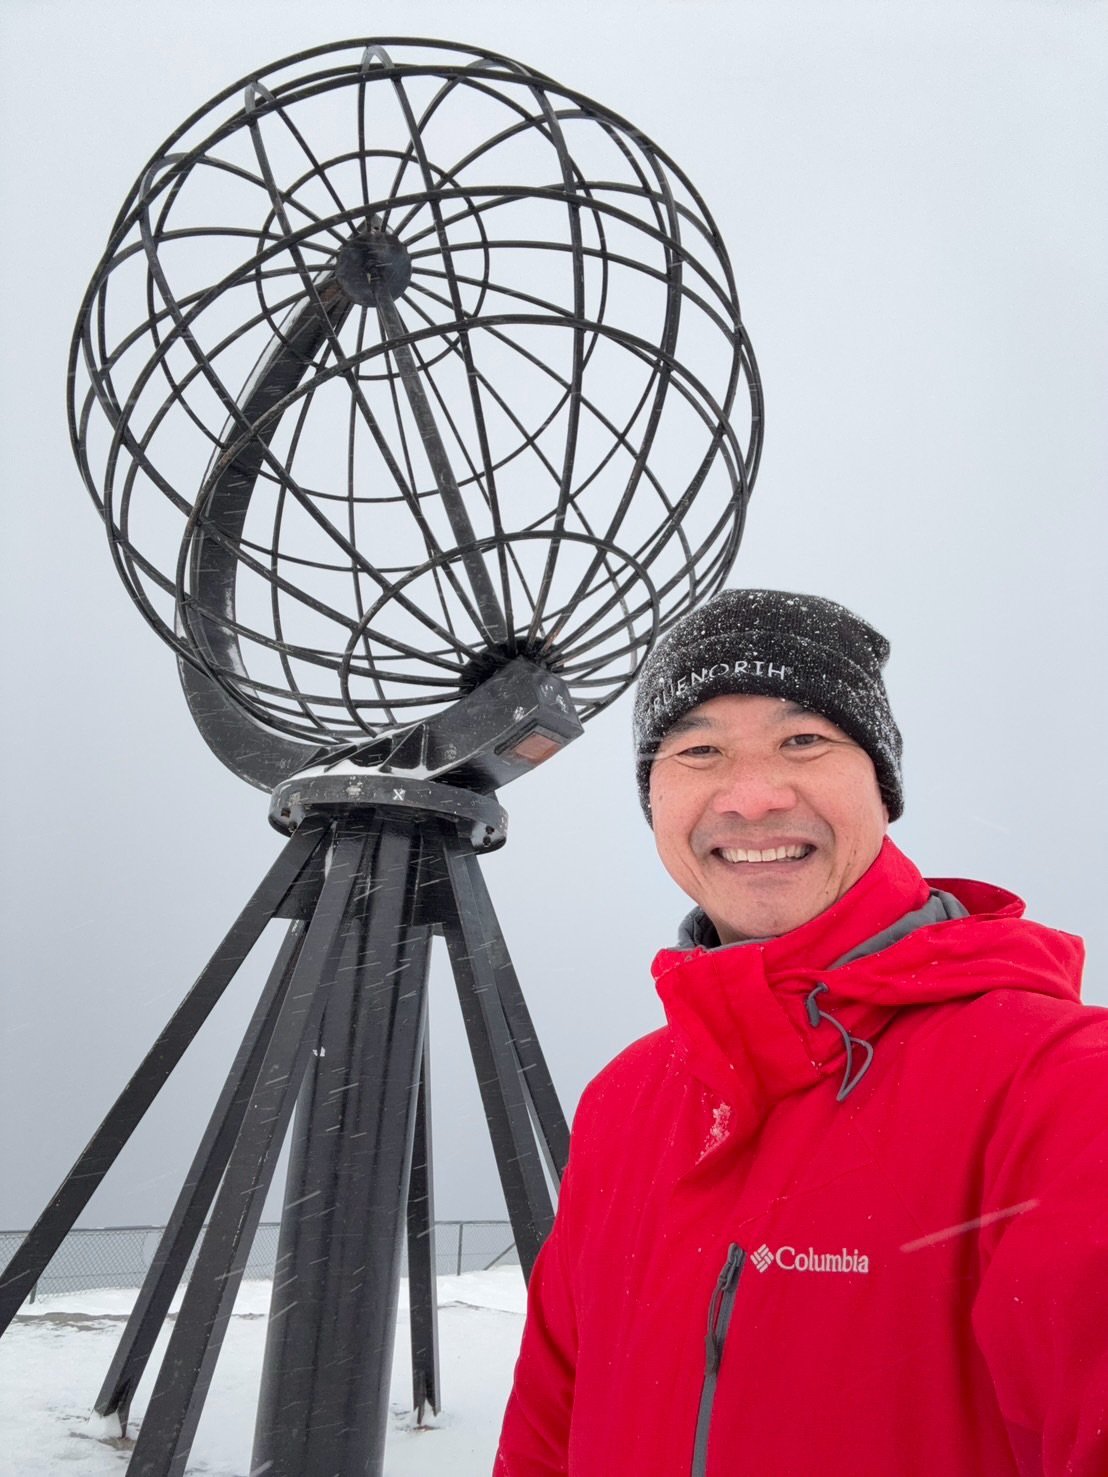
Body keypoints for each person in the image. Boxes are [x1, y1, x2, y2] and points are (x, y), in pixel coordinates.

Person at [494, 589, 1108, 1476]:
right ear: (654, 796)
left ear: (882, 785)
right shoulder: (625, 1100)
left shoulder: (1054, 1083)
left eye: (804, 740)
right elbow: (547, 1436)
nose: (750, 798)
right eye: (699, 750)